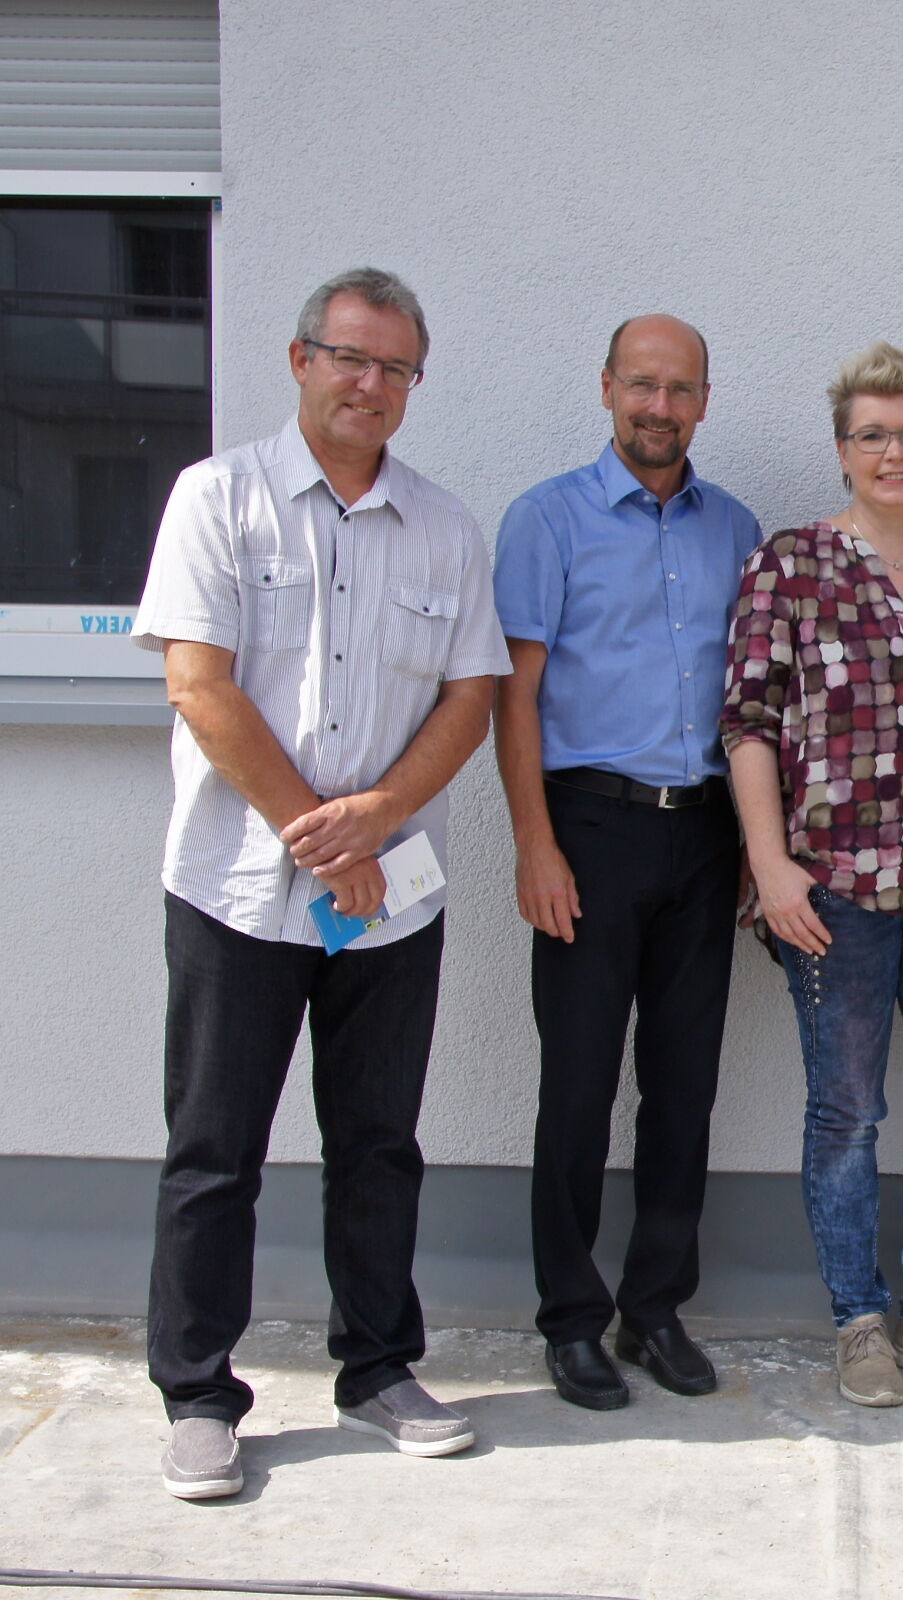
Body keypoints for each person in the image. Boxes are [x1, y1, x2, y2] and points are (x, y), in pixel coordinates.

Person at [134, 267, 510, 1499]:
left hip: (390, 897)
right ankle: (198, 1393)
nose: (372, 384)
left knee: (377, 1143)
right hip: (241, 886)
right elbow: (202, 684)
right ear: (300, 360)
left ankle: (380, 1368)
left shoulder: (445, 528)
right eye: (351, 358)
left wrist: (384, 819)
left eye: (397, 367)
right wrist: (318, 831)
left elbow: (471, 696)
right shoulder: (220, 498)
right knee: (214, 1149)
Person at [724, 341, 903, 1409]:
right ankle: (858, 1318)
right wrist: (771, 865)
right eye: (872, 434)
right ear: (842, 448)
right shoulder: (790, 564)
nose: (895, 452)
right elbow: (749, 723)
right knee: (844, 1113)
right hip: (832, 890)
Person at [493, 316, 763, 1411]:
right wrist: (533, 844)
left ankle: (654, 1307)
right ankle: (569, 1318)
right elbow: (514, 696)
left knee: (683, 1088)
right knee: (578, 1082)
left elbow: (757, 703)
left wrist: (757, 843)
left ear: (705, 399)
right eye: (641, 385)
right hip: (588, 831)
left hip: (704, 832)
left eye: (681, 388)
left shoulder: (736, 527)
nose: (660, 406)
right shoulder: (545, 519)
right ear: (607, 387)